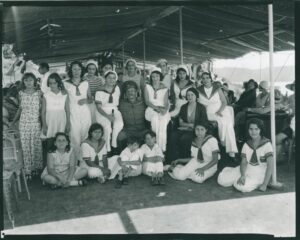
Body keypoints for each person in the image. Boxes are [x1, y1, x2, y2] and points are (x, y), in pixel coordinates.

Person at [218, 118, 283, 192]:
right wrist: (242, 175)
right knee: (222, 180)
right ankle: (238, 177)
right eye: (251, 129)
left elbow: (270, 166)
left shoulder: (267, 144)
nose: (253, 132)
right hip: (246, 168)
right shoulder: (246, 144)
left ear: (260, 130)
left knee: (242, 187)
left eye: (256, 129)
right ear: (248, 130)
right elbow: (243, 162)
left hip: (258, 173)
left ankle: (241, 180)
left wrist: (264, 184)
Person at [10, 73, 43, 179]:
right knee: (25, 146)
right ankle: (28, 169)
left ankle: (36, 168)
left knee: (35, 145)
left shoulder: (39, 93)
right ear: (23, 82)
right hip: (23, 123)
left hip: (35, 123)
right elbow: (20, 109)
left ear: (34, 81)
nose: (28, 82)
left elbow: (42, 110)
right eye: (26, 80)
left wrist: (44, 124)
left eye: (30, 80)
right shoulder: (20, 93)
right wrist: (13, 122)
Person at [198, 72, 238, 159]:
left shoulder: (217, 88)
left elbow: (224, 102)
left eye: (207, 78)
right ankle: (223, 141)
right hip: (208, 113)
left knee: (228, 124)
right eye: (203, 78)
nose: (205, 80)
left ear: (210, 79)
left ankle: (231, 151)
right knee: (223, 121)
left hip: (221, 110)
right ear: (201, 80)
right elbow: (199, 104)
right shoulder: (199, 90)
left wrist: (220, 111)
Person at [166, 87, 208, 163]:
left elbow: (203, 122)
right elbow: (180, 122)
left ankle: (184, 161)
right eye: (188, 95)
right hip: (184, 129)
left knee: (185, 138)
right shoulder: (183, 107)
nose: (190, 97)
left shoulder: (201, 108)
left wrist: (190, 125)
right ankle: (171, 160)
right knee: (173, 135)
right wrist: (190, 125)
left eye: (192, 95)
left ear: (196, 96)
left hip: (196, 130)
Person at [64, 61, 93, 149]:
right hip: (72, 112)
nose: (77, 72)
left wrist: (86, 100)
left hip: (85, 112)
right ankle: (75, 160)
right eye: (74, 69)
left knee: (86, 135)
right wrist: (68, 121)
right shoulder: (65, 84)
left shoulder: (86, 83)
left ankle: (84, 160)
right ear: (71, 70)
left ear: (82, 70)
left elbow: (91, 99)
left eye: (79, 69)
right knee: (74, 137)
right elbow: (65, 103)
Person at [95, 70, 124, 153]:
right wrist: (108, 117)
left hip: (114, 109)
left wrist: (113, 115)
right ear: (105, 79)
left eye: (114, 78)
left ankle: (114, 143)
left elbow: (117, 101)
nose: (112, 80)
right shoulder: (99, 90)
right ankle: (107, 148)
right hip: (102, 111)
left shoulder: (117, 88)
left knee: (119, 124)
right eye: (109, 78)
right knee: (107, 128)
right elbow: (98, 108)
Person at [144, 68, 170, 152]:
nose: (155, 78)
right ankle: (155, 147)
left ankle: (162, 149)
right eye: (153, 76)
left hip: (162, 109)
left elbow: (166, 103)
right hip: (151, 109)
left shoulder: (165, 89)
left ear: (160, 77)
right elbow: (147, 101)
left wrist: (165, 110)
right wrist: (156, 108)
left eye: (157, 76)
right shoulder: (147, 87)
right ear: (151, 77)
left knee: (163, 124)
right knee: (155, 121)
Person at [117, 81, 148, 151]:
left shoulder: (143, 102)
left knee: (151, 137)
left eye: (133, 91)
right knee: (119, 137)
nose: (130, 93)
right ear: (125, 94)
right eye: (128, 91)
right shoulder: (121, 104)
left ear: (137, 92)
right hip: (128, 130)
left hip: (142, 130)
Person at [41, 73, 70, 141]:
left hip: (61, 120)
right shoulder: (46, 95)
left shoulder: (65, 94)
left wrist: (68, 123)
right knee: (50, 140)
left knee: (61, 139)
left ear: (58, 83)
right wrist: (44, 125)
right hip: (50, 120)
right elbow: (43, 112)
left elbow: (67, 110)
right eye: (50, 83)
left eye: (54, 83)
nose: (52, 85)